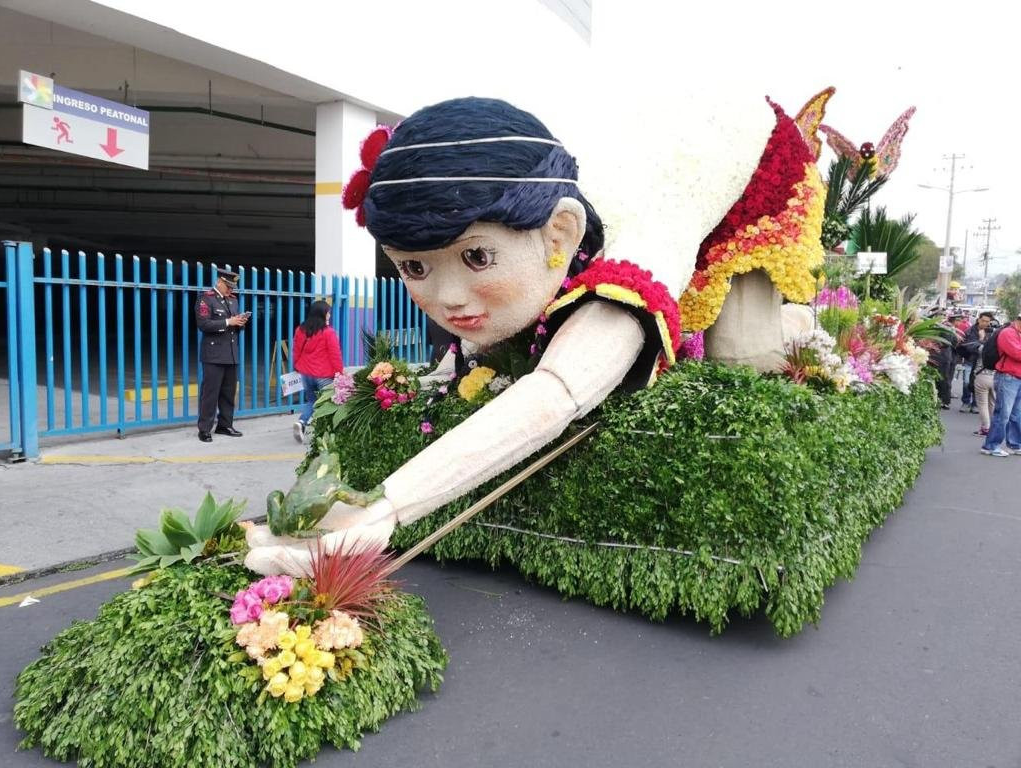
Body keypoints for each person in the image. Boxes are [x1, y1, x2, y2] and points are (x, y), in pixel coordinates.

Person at [242, 95, 815, 575]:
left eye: (477, 256)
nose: (447, 300)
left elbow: (559, 390)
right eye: (415, 268)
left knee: (741, 354)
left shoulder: (645, 240)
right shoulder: (533, 243)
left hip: (757, 159)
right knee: (510, 328)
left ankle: (797, 325)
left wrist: (382, 512)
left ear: (560, 230)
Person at [194, 269, 248, 442]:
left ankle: (225, 425)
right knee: (210, 393)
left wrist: (240, 323)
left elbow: (234, 326)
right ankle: (204, 429)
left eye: (232, 287)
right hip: (213, 354)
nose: (231, 290)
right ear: (219, 282)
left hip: (231, 352)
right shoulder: (206, 298)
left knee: (228, 392)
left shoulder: (233, 300)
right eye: (228, 286)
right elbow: (204, 324)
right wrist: (228, 322)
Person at [291, 300, 344, 443]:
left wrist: (296, 365)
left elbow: (296, 349)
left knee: (312, 401)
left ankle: (302, 422)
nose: (329, 315)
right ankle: (325, 432)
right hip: (324, 375)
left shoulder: (300, 330)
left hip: (306, 373)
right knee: (328, 403)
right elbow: (335, 354)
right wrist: (340, 373)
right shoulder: (328, 332)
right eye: (328, 312)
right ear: (322, 314)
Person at [980, 312, 1021, 457]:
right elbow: (1017, 353)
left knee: (1016, 414)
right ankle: (990, 446)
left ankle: (1015, 444)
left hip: (1017, 377)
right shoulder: (1008, 333)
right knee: (1003, 413)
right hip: (1007, 377)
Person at [957, 311, 994, 415]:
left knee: (978, 385)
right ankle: (965, 402)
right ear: (978, 319)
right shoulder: (970, 331)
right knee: (966, 382)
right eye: (983, 320)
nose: (985, 323)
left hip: (983, 364)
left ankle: (975, 404)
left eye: (987, 321)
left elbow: (990, 348)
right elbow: (969, 346)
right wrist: (981, 341)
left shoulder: (991, 332)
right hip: (970, 360)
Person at [971, 317, 999, 436]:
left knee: (982, 404)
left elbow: (973, 349)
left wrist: (981, 338)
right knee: (992, 403)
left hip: (982, 375)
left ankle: (985, 428)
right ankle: (992, 427)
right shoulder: (1001, 346)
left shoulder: (984, 345)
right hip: (996, 376)